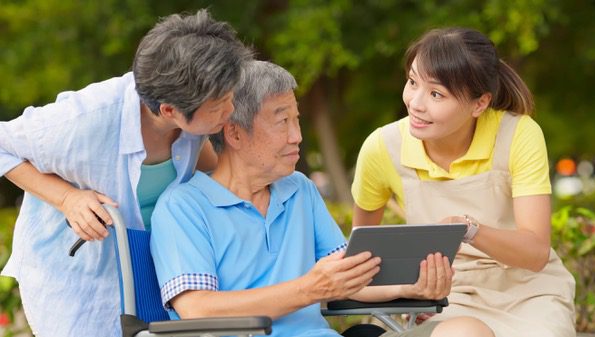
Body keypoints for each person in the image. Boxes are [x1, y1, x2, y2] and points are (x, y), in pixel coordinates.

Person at [150, 60, 494, 337]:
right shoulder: (183, 206)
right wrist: (308, 289)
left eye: (296, 120)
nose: (297, 136)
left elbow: (348, 276)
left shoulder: (298, 189)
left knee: (468, 330)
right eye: (282, 122)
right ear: (235, 132)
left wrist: (415, 287)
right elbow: (197, 309)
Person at [0, 9, 252, 337]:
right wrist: (67, 198)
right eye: (220, 104)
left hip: (149, 267)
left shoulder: (192, 116)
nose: (230, 110)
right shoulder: (84, 120)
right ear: (168, 110)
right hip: (78, 279)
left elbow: (197, 158)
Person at [351, 27, 576, 337]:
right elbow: (362, 256)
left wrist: (468, 229)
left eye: (436, 94)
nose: (415, 103)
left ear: (479, 104)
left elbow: (536, 253)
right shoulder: (382, 147)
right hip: (445, 297)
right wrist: (413, 288)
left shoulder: (518, 134)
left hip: (528, 294)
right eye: (412, 82)